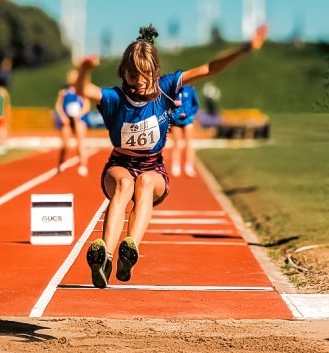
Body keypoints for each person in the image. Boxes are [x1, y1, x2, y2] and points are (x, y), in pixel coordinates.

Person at [74, 23, 268, 288]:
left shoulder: (166, 87)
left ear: (155, 72)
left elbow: (209, 68)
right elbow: (82, 90)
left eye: (145, 77)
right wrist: (85, 69)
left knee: (144, 183)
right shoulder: (115, 98)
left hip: (152, 167)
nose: (139, 83)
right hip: (120, 164)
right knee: (125, 183)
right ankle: (105, 257)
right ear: (124, 74)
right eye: (133, 77)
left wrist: (244, 49)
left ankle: (129, 251)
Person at [54, 69, 91, 176]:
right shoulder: (64, 91)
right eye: (70, 76)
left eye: (74, 76)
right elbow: (58, 105)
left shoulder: (83, 91)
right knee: (65, 144)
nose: (71, 78)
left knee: (81, 143)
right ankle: (61, 163)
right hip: (67, 119)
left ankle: (83, 165)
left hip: (79, 119)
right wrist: (63, 117)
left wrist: (79, 115)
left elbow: (87, 105)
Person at [169, 85, 200, 177]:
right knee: (177, 143)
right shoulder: (172, 90)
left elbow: (196, 105)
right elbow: (167, 104)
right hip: (176, 121)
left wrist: (187, 113)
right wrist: (173, 105)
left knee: (189, 144)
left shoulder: (190, 89)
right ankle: (176, 166)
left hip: (188, 120)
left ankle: (189, 167)